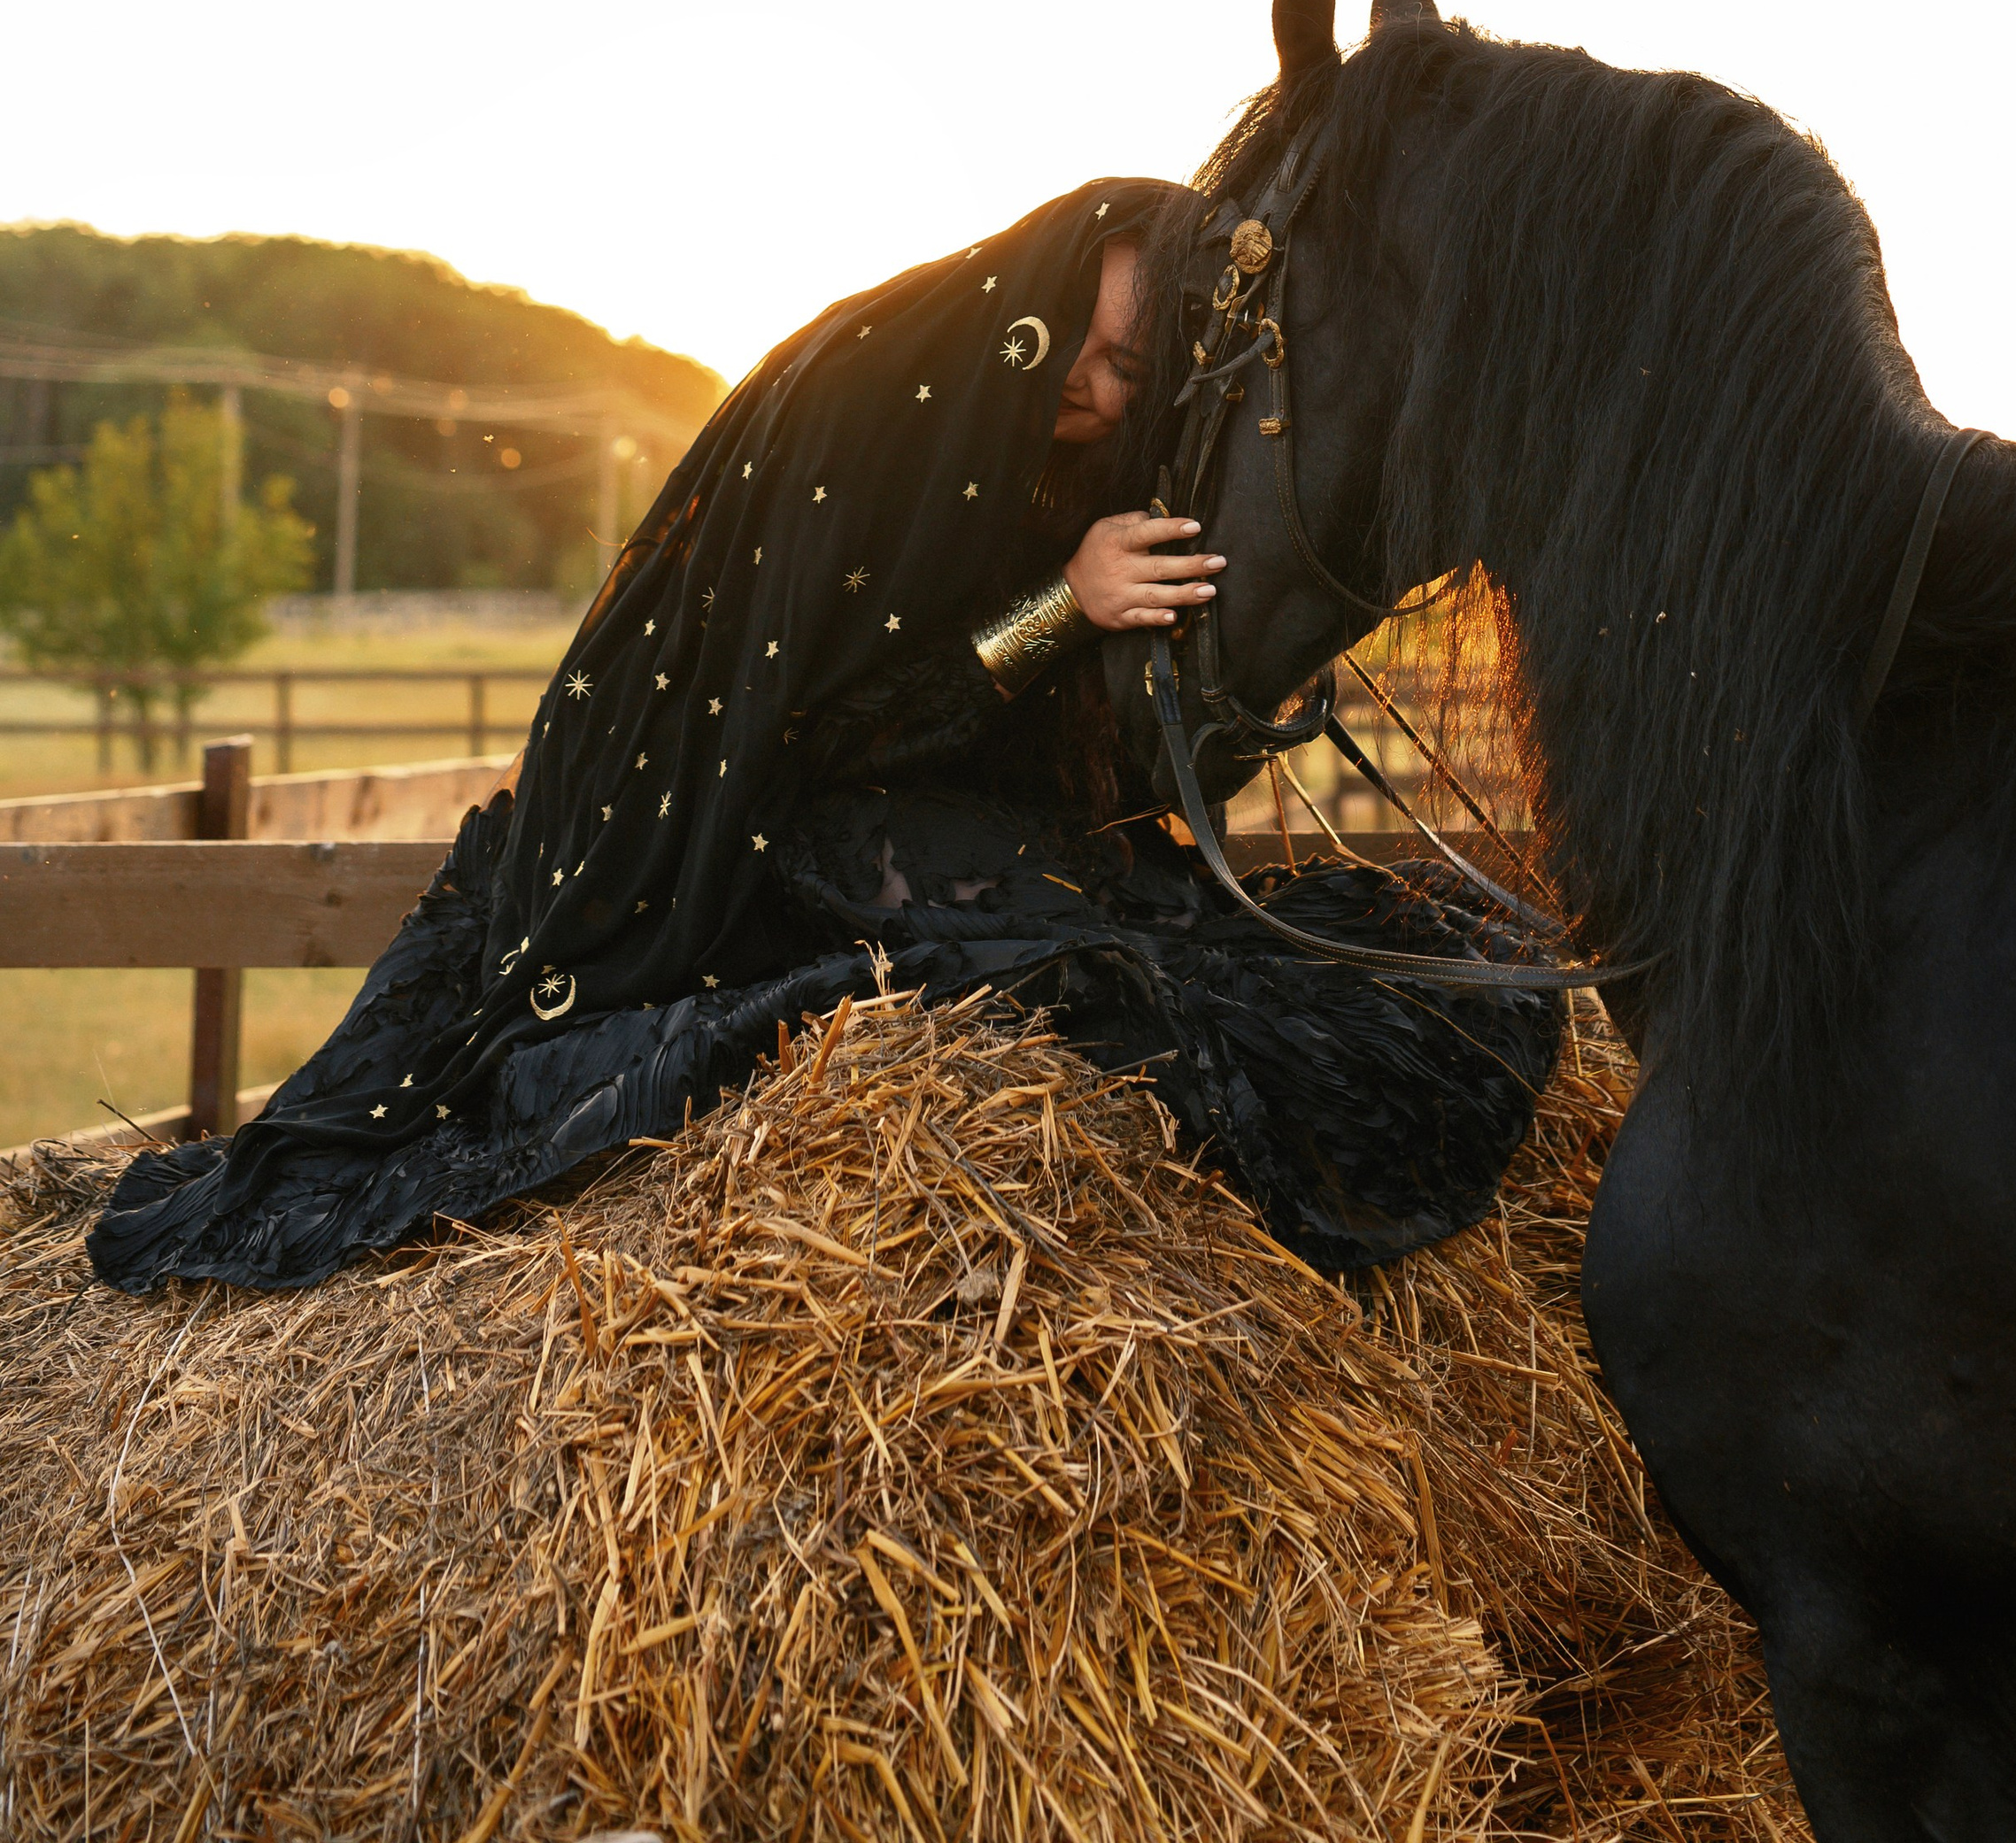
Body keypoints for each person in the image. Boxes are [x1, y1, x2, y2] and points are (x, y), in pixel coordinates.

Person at [91, 182, 1556, 1294]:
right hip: (738, 830)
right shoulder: (870, 407)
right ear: (1042, 278)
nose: (1095, 391)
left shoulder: (1045, 450)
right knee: (1097, 979)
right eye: (1094, 344)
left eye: (1133, 378)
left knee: (1282, 961)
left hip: (902, 807)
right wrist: (1061, 605)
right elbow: (820, 724)